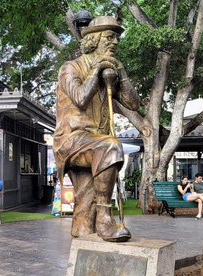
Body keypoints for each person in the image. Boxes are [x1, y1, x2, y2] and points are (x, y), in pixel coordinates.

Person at [53, 16, 140, 242]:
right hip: (71, 140)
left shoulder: (109, 73)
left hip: (93, 143)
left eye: (117, 38)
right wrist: (98, 67)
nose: (116, 42)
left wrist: (121, 72)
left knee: (85, 205)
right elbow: (81, 99)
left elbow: (134, 104)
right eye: (110, 37)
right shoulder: (70, 68)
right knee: (111, 145)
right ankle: (105, 217)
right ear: (92, 40)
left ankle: (83, 238)